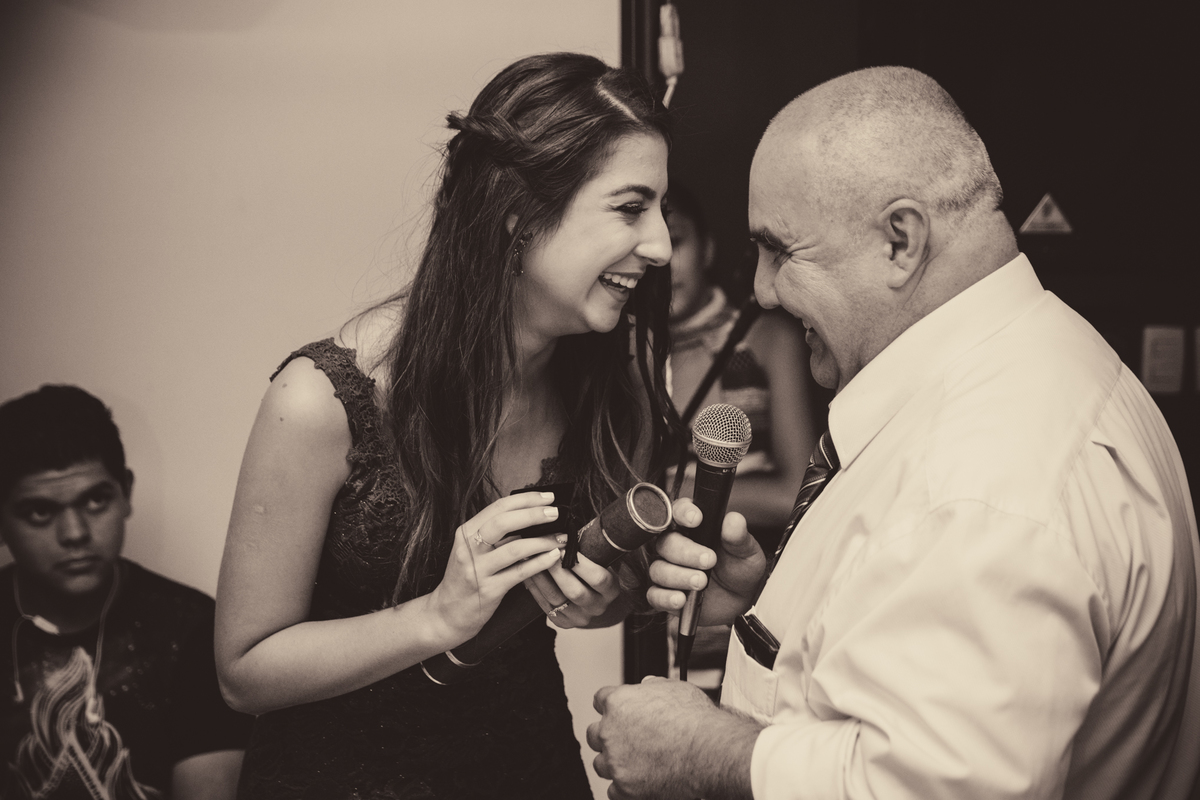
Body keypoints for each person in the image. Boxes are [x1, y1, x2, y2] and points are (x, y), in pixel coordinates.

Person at [587, 66, 1200, 800]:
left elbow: (941, 788)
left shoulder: (983, 484)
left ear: (900, 241)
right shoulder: (1037, 362)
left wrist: (697, 751)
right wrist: (773, 602)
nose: (762, 290)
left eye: (781, 251)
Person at [214, 52, 679, 799]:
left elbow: (598, 597)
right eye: (630, 208)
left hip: (528, 769)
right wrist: (435, 618)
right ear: (518, 212)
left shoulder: (609, 387)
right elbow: (244, 672)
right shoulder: (322, 401)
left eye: (660, 210)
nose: (660, 245)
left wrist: (605, 599)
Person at [0, 384, 253, 800]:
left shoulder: (193, 629)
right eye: (40, 511)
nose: (75, 533)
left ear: (126, 493)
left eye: (95, 500)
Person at [664, 184, 818, 691]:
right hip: (661, 602)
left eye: (677, 242)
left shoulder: (766, 338)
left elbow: (796, 491)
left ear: (707, 249)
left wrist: (676, 492)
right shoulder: (633, 358)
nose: (664, 263)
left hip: (754, 594)